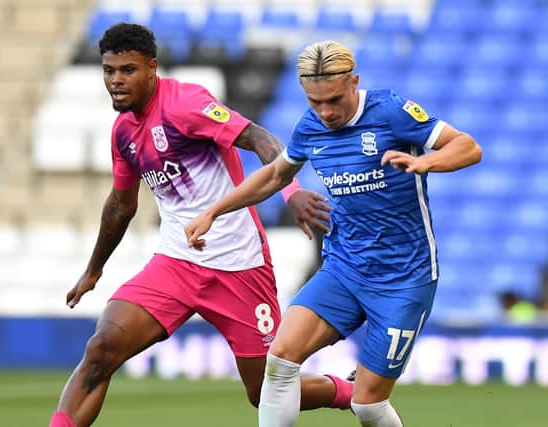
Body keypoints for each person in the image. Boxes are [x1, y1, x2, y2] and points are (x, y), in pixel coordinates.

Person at [49, 24, 355, 427]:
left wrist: (291, 191)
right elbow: (121, 205)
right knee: (102, 349)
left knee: (263, 391)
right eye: (109, 71)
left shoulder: (185, 104)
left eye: (128, 70)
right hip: (175, 263)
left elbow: (260, 138)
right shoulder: (123, 131)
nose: (116, 81)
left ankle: (353, 391)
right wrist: (93, 269)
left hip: (238, 266)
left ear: (152, 68)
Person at [185, 40, 483, 427]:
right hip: (344, 269)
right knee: (279, 360)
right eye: (315, 102)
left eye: (334, 100)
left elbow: (469, 147)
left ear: (354, 82)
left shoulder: (392, 111)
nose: (325, 112)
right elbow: (276, 174)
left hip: (403, 279)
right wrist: (213, 211)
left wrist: (424, 160)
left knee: (368, 406)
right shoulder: (310, 127)